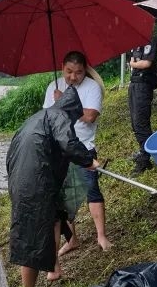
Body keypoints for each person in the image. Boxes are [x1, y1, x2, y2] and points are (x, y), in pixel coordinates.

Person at [9, 86, 100, 287]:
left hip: (20, 180)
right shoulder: (59, 116)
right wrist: (88, 160)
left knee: (37, 229)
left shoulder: (38, 117)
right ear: (70, 109)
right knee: (32, 237)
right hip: (35, 183)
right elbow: (68, 144)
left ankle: (47, 275)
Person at [42, 52, 112, 252]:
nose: (73, 77)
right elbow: (47, 118)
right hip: (60, 149)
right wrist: (58, 103)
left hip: (83, 147)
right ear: (62, 66)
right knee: (64, 198)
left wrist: (64, 103)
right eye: (69, 71)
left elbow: (90, 116)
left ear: (85, 70)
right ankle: (72, 239)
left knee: (92, 190)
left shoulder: (92, 87)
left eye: (79, 72)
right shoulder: (53, 86)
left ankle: (101, 236)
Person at [127, 38, 157, 173]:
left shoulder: (150, 41)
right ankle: (144, 151)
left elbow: (146, 63)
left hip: (144, 84)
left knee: (141, 122)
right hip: (133, 83)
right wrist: (134, 63)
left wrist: (135, 64)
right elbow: (131, 62)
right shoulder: (133, 43)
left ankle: (145, 159)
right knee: (135, 123)